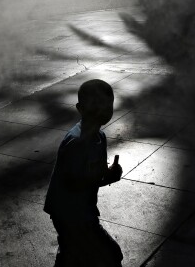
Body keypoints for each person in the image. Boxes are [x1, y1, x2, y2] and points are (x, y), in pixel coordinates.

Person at [44, 79, 124, 267]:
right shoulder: (76, 142)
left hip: (83, 210)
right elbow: (73, 184)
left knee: (75, 254)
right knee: (110, 254)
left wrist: (110, 173)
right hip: (67, 212)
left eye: (106, 106)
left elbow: (98, 173)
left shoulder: (100, 137)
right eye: (95, 106)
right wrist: (105, 180)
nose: (101, 111)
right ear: (80, 108)